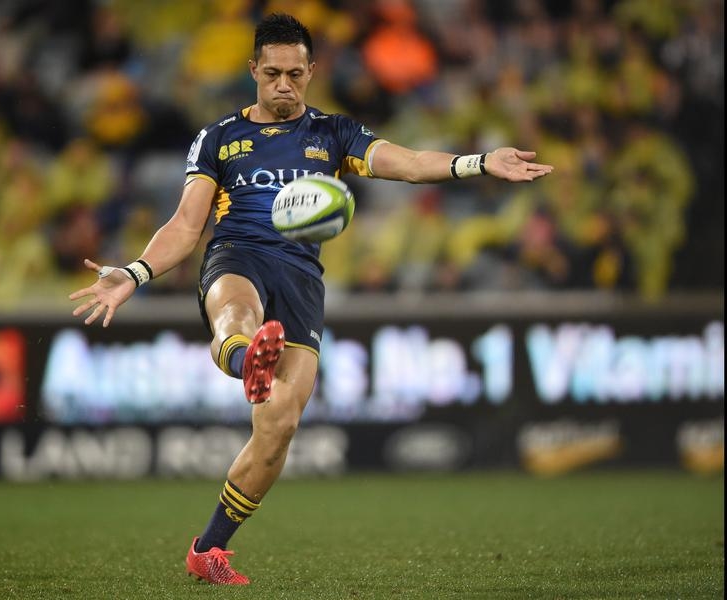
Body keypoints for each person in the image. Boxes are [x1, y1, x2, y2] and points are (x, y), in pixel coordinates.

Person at [69, 12, 553, 585]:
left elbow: (409, 164)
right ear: (253, 69)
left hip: (300, 279)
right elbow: (185, 225)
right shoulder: (219, 138)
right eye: (272, 73)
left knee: (278, 427)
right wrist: (135, 272)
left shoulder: (334, 134)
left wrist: (479, 162)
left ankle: (208, 549)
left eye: (295, 74)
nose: (284, 85)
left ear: (312, 71)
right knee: (236, 313)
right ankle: (248, 361)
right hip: (238, 255)